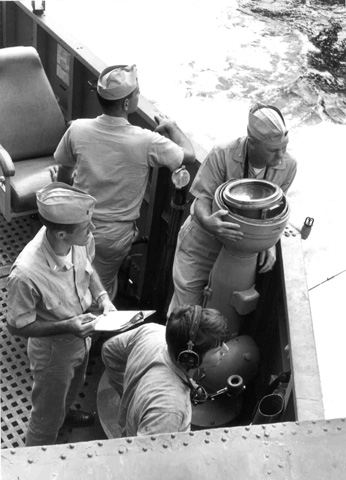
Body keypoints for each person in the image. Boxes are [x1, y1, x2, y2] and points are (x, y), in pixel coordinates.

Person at [54, 64, 195, 301]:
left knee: (72, 279)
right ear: (127, 104)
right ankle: (92, 332)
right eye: (137, 92)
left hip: (76, 224)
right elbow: (188, 154)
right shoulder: (146, 141)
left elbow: (64, 174)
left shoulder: (77, 129)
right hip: (113, 237)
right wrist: (172, 126)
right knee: (101, 290)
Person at [6, 182, 115, 447]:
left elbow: (88, 271)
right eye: (86, 227)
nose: (92, 230)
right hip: (53, 354)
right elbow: (17, 325)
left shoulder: (78, 241)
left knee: (70, 391)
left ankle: (63, 416)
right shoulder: (26, 274)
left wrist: (103, 298)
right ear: (61, 235)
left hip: (81, 338)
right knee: (45, 416)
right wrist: (67, 326)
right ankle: (37, 458)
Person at [168, 102, 297, 314]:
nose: (281, 156)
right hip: (202, 241)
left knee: (222, 313)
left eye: (284, 147)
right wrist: (209, 223)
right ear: (252, 142)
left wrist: (269, 243)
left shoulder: (289, 167)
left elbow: (273, 211)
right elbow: (201, 199)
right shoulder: (222, 154)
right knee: (185, 311)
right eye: (273, 150)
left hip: (241, 250)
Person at [101, 305, 229, 437]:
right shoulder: (169, 410)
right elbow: (146, 455)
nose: (226, 350)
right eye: (217, 350)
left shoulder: (152, 332)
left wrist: (128, 392)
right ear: (190, 358)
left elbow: (108, 350)